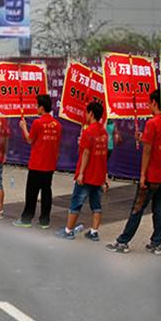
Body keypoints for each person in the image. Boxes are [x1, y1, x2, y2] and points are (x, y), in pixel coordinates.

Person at [106, 90, 161, 255]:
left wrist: (143, 175)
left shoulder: (152, 123)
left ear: (154, 102)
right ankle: (156, 243)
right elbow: (155, 143)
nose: (147, 106)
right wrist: (143, 138)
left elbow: (148, 152)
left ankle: (123, 242)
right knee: (158, 208)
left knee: (137, 208)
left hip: (152, 175)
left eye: (149, 103)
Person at [56, 102, 109, 241]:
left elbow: (86, 153)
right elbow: (103, 155)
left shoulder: (89, 131)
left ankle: (68, 231)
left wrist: (81, 173)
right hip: (98, 176)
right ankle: (94, 232)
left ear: (91, 113)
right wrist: (105, 177)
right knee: (96, 205)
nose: (85, 115)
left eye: (86, 112)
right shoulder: (104, 132)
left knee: (76, 203)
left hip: (87, 176)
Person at [13, 95, 62, 229]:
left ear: (41, 107)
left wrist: (23, 127)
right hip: (50, 165)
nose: (36, 108)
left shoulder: (37, 123)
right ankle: (44, 221)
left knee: (32, 193)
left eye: (37, 106)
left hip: (37, 164)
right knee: (47, 192)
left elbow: (29, 140)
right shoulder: (57, 125)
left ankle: (26, 219)